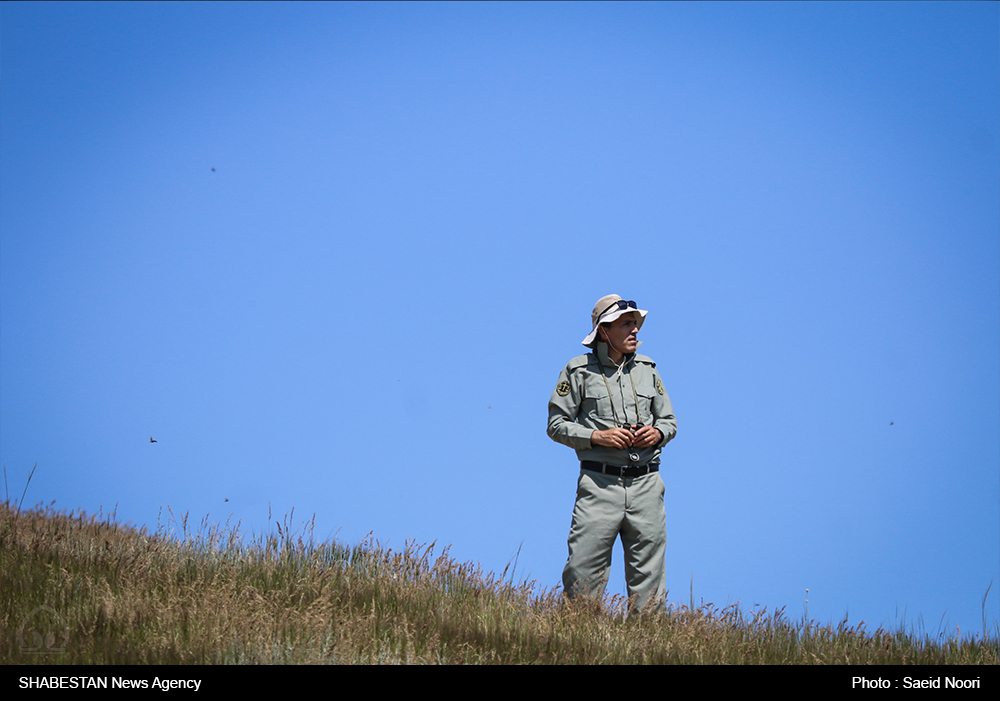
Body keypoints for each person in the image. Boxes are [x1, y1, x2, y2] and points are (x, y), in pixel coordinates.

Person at [547, 294, 677, 614]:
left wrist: (658, 433)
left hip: (647, 485)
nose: (635, 330)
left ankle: (649, 646)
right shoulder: (577, 371)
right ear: (604, 331)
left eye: (636, 324)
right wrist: (595, 436)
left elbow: (670, 422)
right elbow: (555, 425)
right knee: (582, 571)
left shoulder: (649, 370)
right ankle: (578, 638)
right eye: (627, 324)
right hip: (598, 484)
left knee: (649, 579)